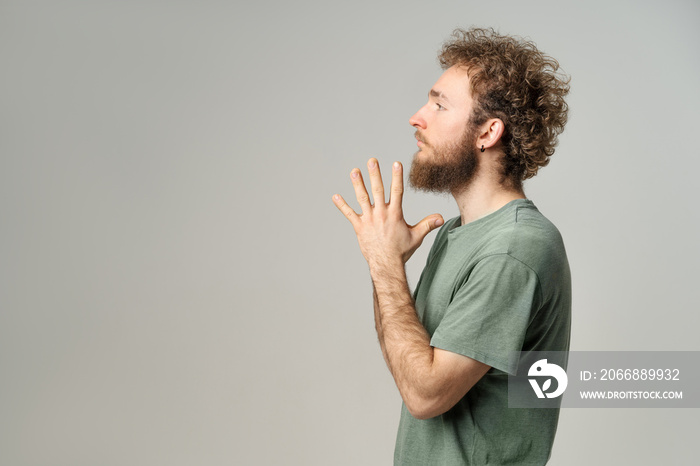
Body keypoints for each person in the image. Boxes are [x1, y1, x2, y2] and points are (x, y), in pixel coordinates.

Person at [332, 27, 571, 465]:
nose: (417, 117)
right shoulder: (458, 232)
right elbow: (409, 365)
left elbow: (425, 395)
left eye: (440, 105)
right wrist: (387, 264)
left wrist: (385, 264)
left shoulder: (513, 249)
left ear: (488, 132)